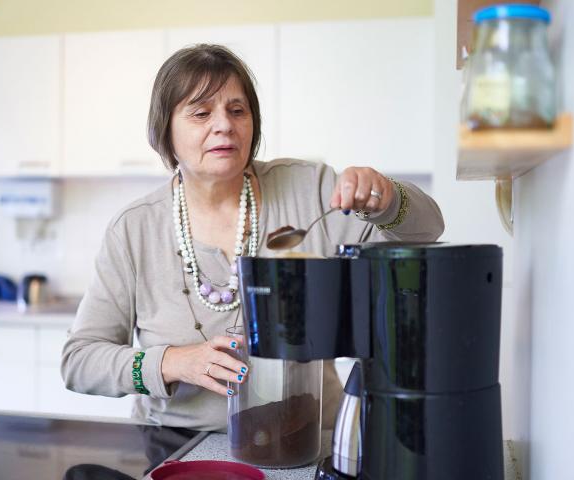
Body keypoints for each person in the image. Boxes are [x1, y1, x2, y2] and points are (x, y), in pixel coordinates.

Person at [62, 44, 444, 434]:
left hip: (308, 440)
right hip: (177, 445)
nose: (224, 125)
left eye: (237, 110)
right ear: (166, 131)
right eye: (201, 112)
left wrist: (386, 197)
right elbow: (79, 361)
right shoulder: (134, 228)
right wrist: (172, 363)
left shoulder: (308, 190)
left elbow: (428, 231)